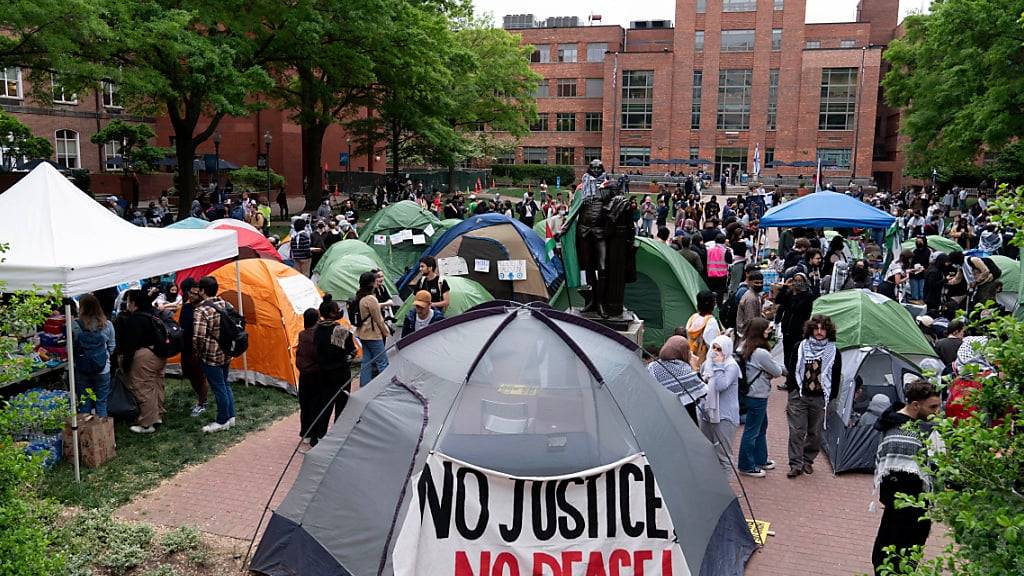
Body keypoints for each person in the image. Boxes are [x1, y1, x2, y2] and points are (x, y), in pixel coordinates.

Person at [871, 380, 942, 574]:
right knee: (898, 556)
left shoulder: (907, 423)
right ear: (915, 405)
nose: (937, 412)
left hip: (906, 504)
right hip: (906, 506)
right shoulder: (904, 433)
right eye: (933, 407)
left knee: (889, 551)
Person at [786, 315, 842, 478]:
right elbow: (792, 370)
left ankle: (808, 460)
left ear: (828, 331)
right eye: (816, 328)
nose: (819, 332)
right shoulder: (800, 346)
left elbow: (836, 376)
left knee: (815, 432)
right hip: (800, 395)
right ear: (810, 329)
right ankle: (795, 464)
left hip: (820, 398)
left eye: (822, 329)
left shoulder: (833, 352)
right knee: (797, 430)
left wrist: (831, 398)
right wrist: (793, 391)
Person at [737, 318, 786, 477]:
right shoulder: (761, 353)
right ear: (760, 331)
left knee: (761, 427)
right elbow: (777, 372)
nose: (769, 331)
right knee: (752, 430)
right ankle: (746, 465)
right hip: (758, 395)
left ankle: (760, 458)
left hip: (750, 393)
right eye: (767, 329)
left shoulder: (744, 346)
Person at [116, 290, 167, 434]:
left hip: (144, 357)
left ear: (134, 303)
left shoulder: (135, 319)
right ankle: (157, 415)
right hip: (160, 354)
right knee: (157, 384)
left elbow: (131, 345)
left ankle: (147, 423)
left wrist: (125, 363)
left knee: (143, 388)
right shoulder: (154, 313)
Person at [193, 276, 239, 433]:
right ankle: (231, 416)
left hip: (211, 354)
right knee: (225, 383)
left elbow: (198, 336)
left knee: (218, 386)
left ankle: (222, 420)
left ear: (202, 291)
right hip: (226, 351)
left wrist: (198, 351)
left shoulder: (201, 310)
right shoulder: (225, 304)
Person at [311, 297, 357, 443]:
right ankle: (337, 437)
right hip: (341, 373)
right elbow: (351, 350)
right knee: (341, 405)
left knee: (324, 405)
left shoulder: (317, 329)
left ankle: (319, 435)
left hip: (323, 373)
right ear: (333, 313)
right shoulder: (341, 331)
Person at [699, 335, 741, 475]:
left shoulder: (731, 366)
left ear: (727, 350)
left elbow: (721, 385)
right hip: (707, 413)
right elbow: (702, 380)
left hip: (725, 416)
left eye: (720, 349)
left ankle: (726, 492)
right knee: (706, 450)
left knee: (723, 455)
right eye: (714, 347)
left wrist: (718, 365)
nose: (716, 351)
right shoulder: (707, 363)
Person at [71, 294, 116, 417]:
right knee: (101, 402)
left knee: (84, 402)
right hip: (102, 368)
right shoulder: (107, 324)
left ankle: (85, 434)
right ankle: (101, 433)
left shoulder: (75, 325)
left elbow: (71, 346)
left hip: (82, 368)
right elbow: (112, 347)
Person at [648, 335, 707, 425]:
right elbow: (703, 392)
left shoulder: (652, 367)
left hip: (660, 418)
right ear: (683, 352)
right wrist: (695, 368)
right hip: (685, 420)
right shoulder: (685, 371)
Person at [179, 278, 209, 417]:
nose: (191, 295)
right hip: (186, 347)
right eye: (190, 292)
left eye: (194, 293)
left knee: (200, 376)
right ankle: (201, 398)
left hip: (197, 349)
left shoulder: (203, 310)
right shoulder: (186, 307)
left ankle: (202, 403)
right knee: (191, 375)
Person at [355, 271, 390, 386]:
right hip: (372, 334)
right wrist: (386, 331)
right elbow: (378, 319)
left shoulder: (360, 296)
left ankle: (364, 385)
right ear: (371, 283)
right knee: (382, 361)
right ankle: (386, 386)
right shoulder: (371, 299)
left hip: (362, 333)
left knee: (367, 361)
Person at [295, 308, 322, 444]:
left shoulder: (302, 334)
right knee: (315, 403)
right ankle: (314, 431)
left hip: (304, 373)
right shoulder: (318, 335)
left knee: (304, 403)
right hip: (316, 373)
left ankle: (305, 432)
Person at [685, 290, 721, 370]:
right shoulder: (711, 322)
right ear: (711, 304)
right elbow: (712, 345)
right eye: (714, 301)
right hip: (703, 363)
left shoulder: (693, 317)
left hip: (691, 358)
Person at [735, 270, 764, 340]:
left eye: (761, 282)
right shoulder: (751, 298)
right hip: (747, 334)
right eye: (756, 283)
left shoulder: (755, 294)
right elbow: (750, 320)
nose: (759, 285)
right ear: (750, 283)